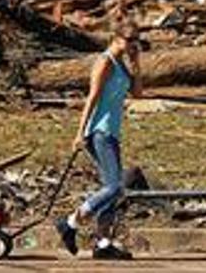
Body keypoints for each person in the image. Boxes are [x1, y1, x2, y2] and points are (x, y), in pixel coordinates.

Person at [55, 16, 142, 260]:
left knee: (110, 191)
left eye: (137, 40)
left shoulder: (123, 64)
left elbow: (138, 93)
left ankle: (103, 244)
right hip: (99, 131)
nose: (134, 44)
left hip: (112, 132)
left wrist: (136, 64)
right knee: (115, 186)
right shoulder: (105, 62)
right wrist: (80, 132)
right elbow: (92, 98)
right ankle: (71, 221)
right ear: (116, 38)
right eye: (130, 40)